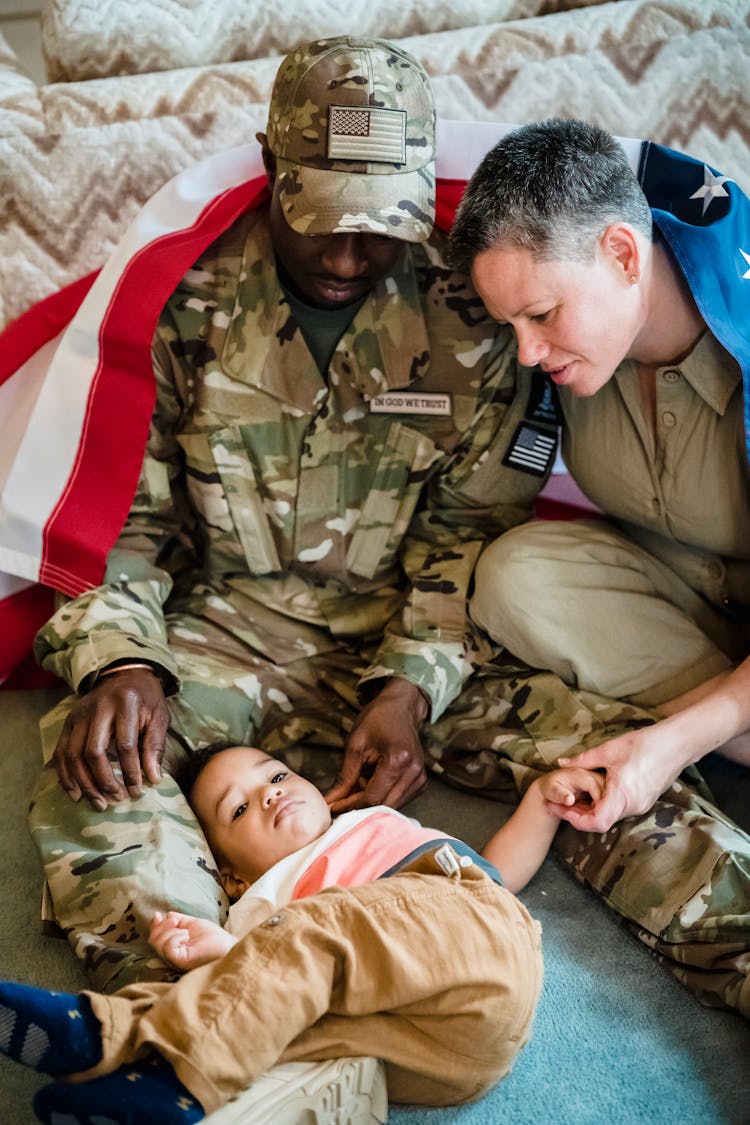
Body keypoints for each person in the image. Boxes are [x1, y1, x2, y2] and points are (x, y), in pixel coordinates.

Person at [28, 34, 556, 996]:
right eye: (324, 220)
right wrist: (125, 662)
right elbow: (122, 520)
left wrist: (410, 685)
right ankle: (192, 1013)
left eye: (381, 224)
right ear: (272, 166)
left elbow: (466, 541)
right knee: (98, 768)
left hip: (415, 640)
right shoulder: (177, 303)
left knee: (611, 763)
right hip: (225, 633)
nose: (352, 254)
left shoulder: (471, 320)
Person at [446, 118, 750, 1016]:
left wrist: (665, 746)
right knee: (514, 573)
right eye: (513, 324)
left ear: (623, 251)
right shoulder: (569, 357)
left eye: (542, 314)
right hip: (684, 598)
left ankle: (714, 724)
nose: (529, 352)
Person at [3, 748, 605, 1123]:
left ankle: (143, 1056)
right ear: (232, 875)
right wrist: (222, 949)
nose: (268, 794)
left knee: (314, 932)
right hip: (428, 1057)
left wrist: (539, 807)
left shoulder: (367, 825)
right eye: (238, 812)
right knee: (283, 1013)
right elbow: (270, 978)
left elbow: (498, 876)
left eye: (277, 774)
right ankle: (112, 1044)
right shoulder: (258, 901)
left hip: (478, 957)